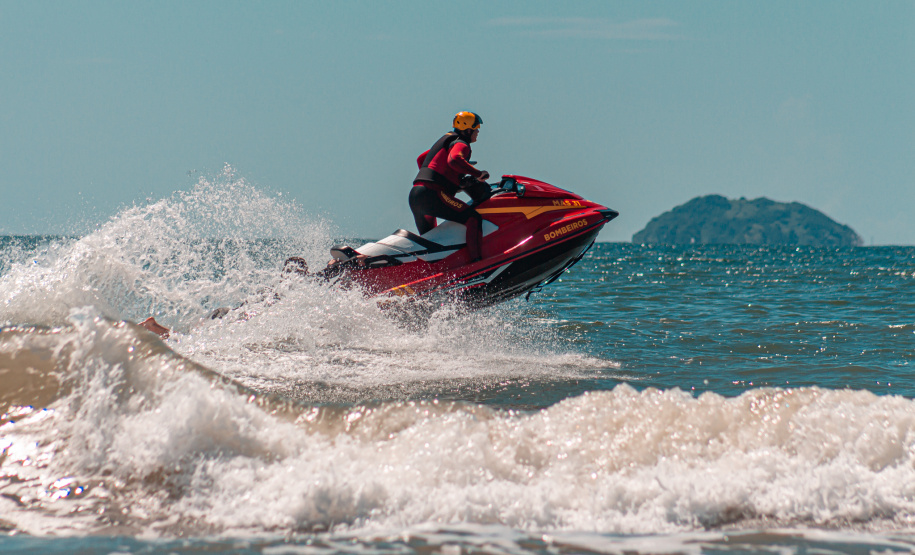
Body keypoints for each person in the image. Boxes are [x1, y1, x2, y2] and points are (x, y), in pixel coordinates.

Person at [409, 111, 490, 262]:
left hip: (416, 194)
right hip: (432, 194)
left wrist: (442, 177)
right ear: (468, 130)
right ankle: (476, 262)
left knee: (431, 239)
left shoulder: (447, 140)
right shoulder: (461, 143)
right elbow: (454, 160)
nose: (478, 132)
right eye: (476, 128)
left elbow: (421, 159)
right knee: (473, 218)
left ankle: (434, 270)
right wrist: (478, 174)